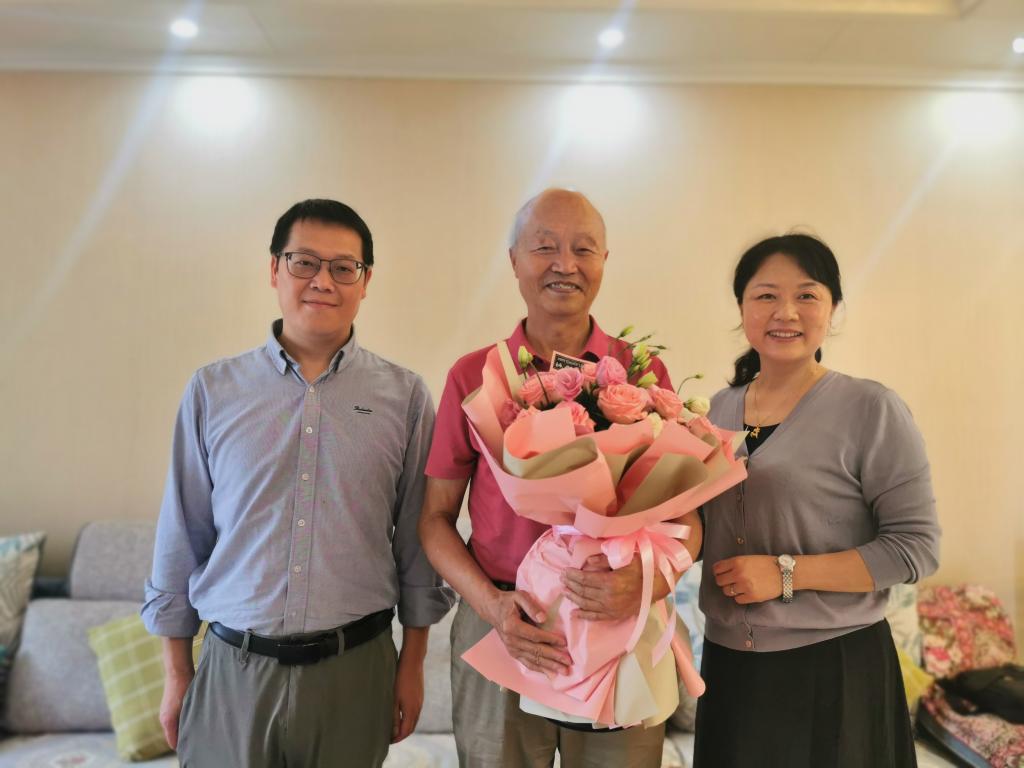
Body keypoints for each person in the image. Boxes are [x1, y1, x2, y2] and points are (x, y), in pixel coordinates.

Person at [142, 198, 453, 768]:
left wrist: (411, 666)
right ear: (274, 270)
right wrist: (176, 671)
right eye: (304, 262)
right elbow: (181, 535)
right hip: (234, 670)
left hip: (355, 670)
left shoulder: (405, 396)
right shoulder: (213, 391)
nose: (323, 281)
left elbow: (416, 540)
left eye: (344, 267)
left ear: (365, 281)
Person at [419, 188, 701, 768]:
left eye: (583, 249)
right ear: (514, 261)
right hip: (504, 618)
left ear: (604, 262)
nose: (565, 264)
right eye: (545, 247)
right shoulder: (475, 375)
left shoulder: (641, 373)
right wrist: (493, 608)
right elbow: (434, 520)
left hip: (611, 620)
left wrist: (648, 584)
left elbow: (687, 520)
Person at [693, 234, 940, 767]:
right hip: (729, 669)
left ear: (833, 308)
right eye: (766, 295)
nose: (786, 312)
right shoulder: (713, 411)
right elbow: (700, 528)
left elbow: (916, 548)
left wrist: (786, 574)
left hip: (834, 669)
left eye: (806, 295)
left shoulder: (870, 408)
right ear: (741, 307)